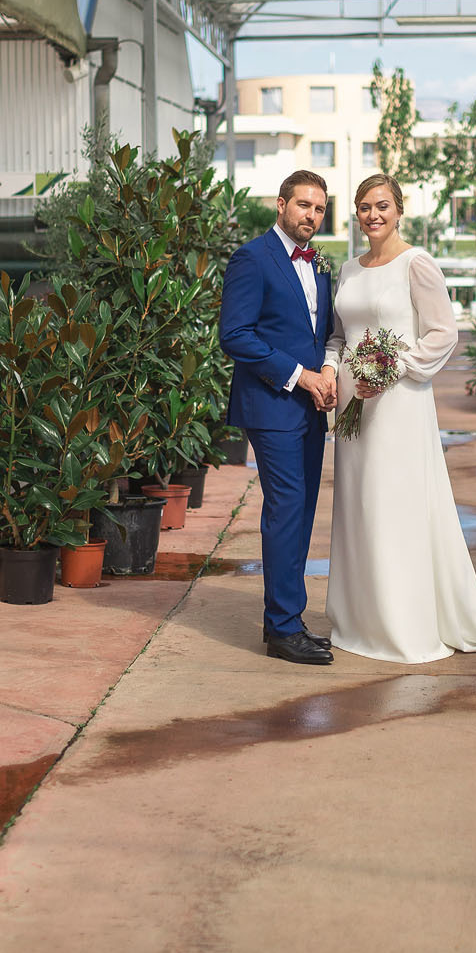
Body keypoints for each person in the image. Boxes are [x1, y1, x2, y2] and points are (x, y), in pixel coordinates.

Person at [322, 174, 476, 663]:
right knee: (359, 508)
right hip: (353, 409)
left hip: (398, 405)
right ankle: (359, 619)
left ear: (399, 210)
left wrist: (394, 368)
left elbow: (443, 333)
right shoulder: (349, 270)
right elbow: (338, 337)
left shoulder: (417, 263)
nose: (374, 215)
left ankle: (403, 622)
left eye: (383, 206)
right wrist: (333, 373)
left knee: (395, 505)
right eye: (365, 207)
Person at [218, 171, 339, 666]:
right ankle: (283, 629)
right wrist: (300, 376)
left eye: (319, 209)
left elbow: (321, 331)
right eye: (304, 205)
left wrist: (325, 375)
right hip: (272, 406)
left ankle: (289, 620)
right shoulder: (252, 257)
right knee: (286, 511)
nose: (311, 215)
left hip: (310, 408)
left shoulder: (321, 263)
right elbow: (236, 336)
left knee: (302, 512)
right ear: (281, 205)